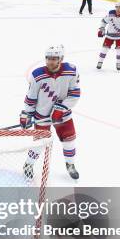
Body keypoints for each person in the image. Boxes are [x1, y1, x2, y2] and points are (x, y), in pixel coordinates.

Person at [20, 45, 80, 180]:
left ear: (61, 59)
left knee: (69, 140)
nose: (50, 62)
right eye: (48, 58)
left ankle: (70, 165)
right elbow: (31, 97)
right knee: (39, 144)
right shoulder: (37, 75)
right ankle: (28, 165)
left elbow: (74, 94)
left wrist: (61, 108)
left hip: (63, 115)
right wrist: (26, 114)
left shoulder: (71, 71)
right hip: (42, 115)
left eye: (54, 58)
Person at [96, 2, 120, 71]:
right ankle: (100, 62)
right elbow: (103, 21)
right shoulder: (110, 13)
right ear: (115, 7)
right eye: (117, 7)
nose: (118, 9)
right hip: (109, 36)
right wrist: (102, 29)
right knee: (104, 50)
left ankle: (118, 63)